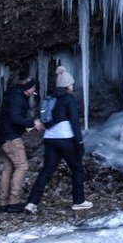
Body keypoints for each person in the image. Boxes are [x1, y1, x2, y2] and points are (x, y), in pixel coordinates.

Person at [24, 66, 92, 213]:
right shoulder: (69, 99)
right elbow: (74, 121)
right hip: (66, 139)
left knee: (47, 171)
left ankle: (32, 202)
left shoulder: (50, 97)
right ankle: (79, 201)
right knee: (77, 168)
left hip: (49, 138)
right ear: (68, 85)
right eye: (71, 84)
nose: (72, 86)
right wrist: (79, 142)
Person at [0, 76, 42, 213]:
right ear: (27, 88)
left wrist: (31, 127)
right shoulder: (17, 98)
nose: (34, 90)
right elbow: (15, 118)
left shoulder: (12, 95)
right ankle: (14, 202)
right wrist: (33, 123)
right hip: (11, 139)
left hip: (3, 137)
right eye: (33, 87)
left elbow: (15, 120)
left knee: (8, 169)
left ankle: (3, 202)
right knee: (22, 166)